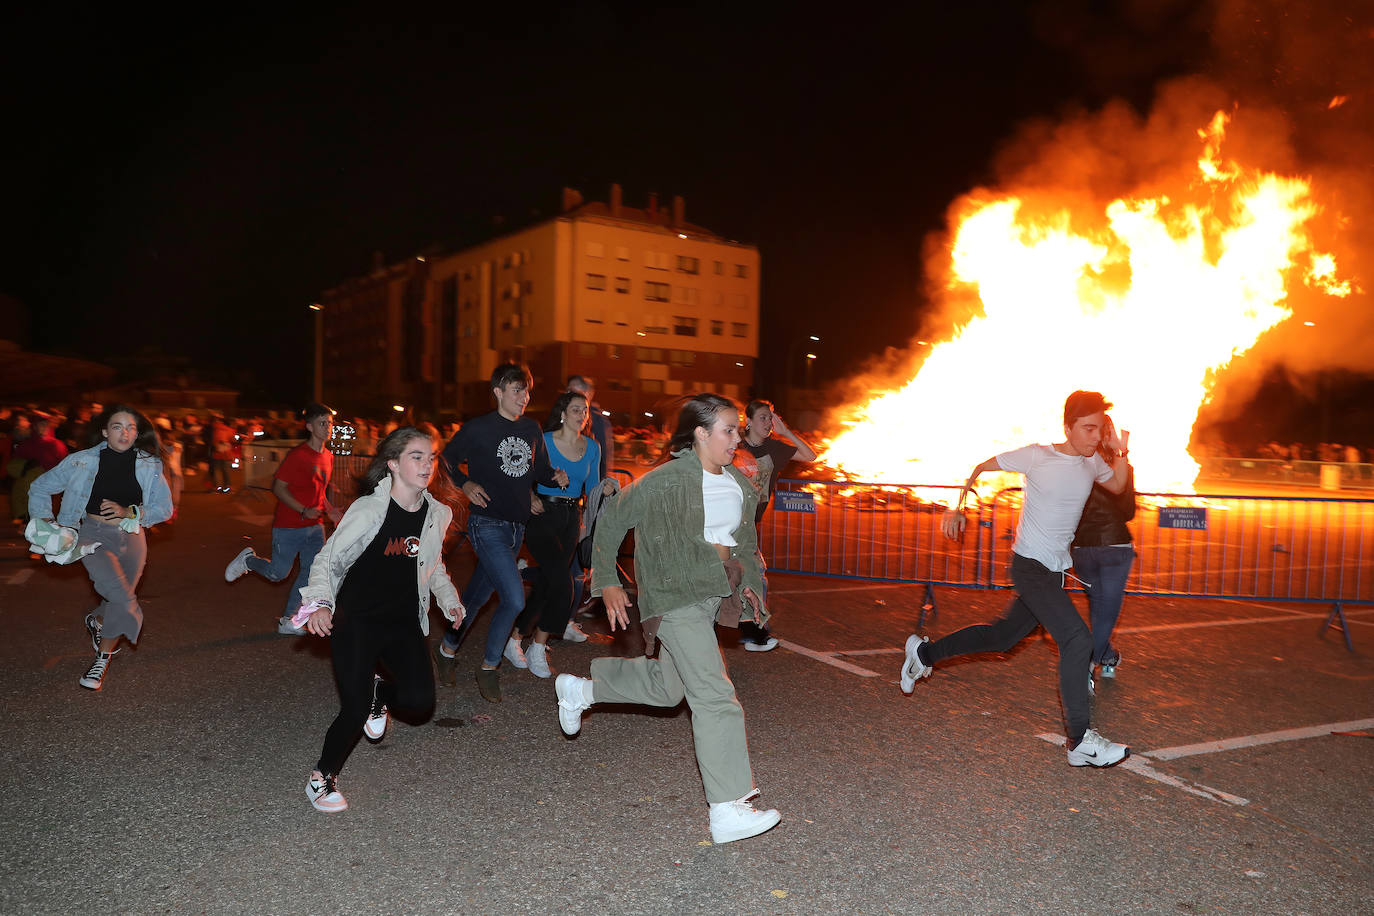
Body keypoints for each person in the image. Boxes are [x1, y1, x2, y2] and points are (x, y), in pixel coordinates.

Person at [554, 393, 782, 844]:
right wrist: (608, 581)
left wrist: (753, 585)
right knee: (716, 695)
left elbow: (744, 541)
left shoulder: (739, 482)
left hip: (712, 594)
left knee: (669, 688)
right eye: (729, 430)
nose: (738, 439)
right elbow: (612, 517)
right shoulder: (665, 480)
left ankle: (581, 690)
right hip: (675, 594)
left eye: (737, 430)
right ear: (700, 433)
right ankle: (727, 807)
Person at [900, 390, 1132, 768]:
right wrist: (959, 506)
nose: (1095, 436)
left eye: (1099, 429)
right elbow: (980, 467)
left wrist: (1120, 450)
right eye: (1088, 429)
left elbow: (1119, 485)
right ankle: (1079, 740)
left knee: (1002, 637)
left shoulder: (1092, 463)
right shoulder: (1038, 455)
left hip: (1055, 571)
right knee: (1077, 639)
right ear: (1068, 427)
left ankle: (922, 653)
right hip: (1030, 567)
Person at [295, 427, 465, 812]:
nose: (427, 465)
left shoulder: (437, 512)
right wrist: (320, 603)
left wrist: (449, 599)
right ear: (393, 463)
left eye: (431, 457)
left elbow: (432, 562)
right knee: (353, 709)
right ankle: (322, 778)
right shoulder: (370, 509)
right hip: (357, 619)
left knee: (420, 701)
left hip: (403, 620)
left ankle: (379, 695)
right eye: (416, 457)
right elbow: (329, 558)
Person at [432, 364, 568, 701]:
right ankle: (489, 666)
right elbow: (446, 459)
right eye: (517, 390)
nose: (525, 397)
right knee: (514, 598)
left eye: (527, 391)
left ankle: (447, 650)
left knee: (477, 597)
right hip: (486, 524)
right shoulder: (478, 429)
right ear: (498, 392)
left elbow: (539, 469)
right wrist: (465, 483)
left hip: (516, 529)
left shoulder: (531, 429)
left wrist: (555, 479)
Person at [28, 405, 174, 690]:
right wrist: (46, 520)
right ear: (106, 432)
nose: (125, 432)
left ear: (137, 433)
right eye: (117, 427)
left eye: (130, 427)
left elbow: (164, 509)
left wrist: (129, 511)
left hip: (132, 536)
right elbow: (40, 487)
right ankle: (103, 658)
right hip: (92, 535)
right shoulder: (81, 461)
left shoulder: (149, 464)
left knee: (118, 599)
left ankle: (98, 629)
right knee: (122, 598)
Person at [510, 391, 616, 678]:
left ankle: (517, 637)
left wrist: (603, 490)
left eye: (584, 410)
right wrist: (529, 495)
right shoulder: (543, 441)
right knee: (563, 584)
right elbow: (521, 474)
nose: (581, 414)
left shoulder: (592, 447)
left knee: (547, 583)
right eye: (575, 409)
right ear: (562, 413)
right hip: (542, 514)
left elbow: (591, 488)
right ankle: (538, 646)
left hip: (571, 518)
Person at [224, 403, 340, 634]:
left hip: (315, 527)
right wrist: (302, 510)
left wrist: (330, 510)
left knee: (310, 573)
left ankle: (289, 619)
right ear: (309, 427)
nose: (327, 427)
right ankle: (248, 560)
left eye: (330, 423)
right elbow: (278, 488)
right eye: (322, 423)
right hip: (289, 525)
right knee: (278, 574)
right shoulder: (298, 456)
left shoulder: (328, 456)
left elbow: (320, 489)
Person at [732, 399, 817, 652]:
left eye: (770, 418)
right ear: (747, 421)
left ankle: (746, 630)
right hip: (728, 521)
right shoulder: (733, 445)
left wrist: (786, 432)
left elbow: (810, 456)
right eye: (762, 417)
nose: (768, 423)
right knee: (754, 573)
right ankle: (754, 632)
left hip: (750, 524)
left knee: (745, 573)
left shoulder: (774, 448)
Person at [1072, 444, 1136, 685]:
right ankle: (1089, 662)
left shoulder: (1076, 464)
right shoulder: (1121, 468)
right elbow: (1128, 511)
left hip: (1083, 548)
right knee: (1106, 612)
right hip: (1115, 547)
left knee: (1100, 608)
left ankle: (1108, 657)